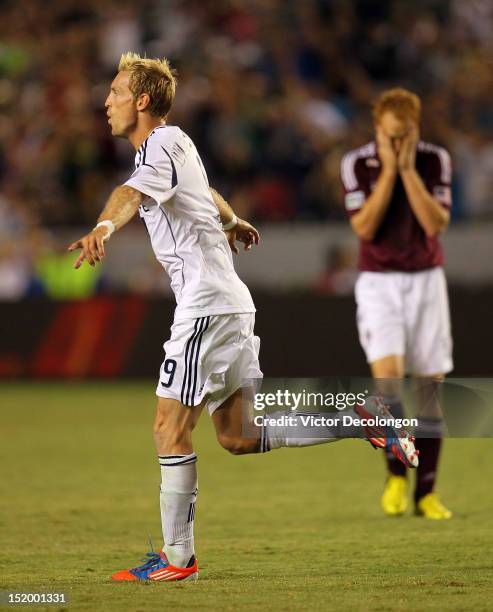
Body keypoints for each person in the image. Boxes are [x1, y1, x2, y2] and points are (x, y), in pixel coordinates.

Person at [69, 55, 419, 583]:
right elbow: (204, 192)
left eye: (116, 92)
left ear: (142, 101)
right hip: (228, 299)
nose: (106, 101)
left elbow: (129, 194)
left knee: (169, 427)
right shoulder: (176, 145)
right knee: (237, 435)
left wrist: (102, 227)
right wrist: (233, 220)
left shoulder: (159, 146)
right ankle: (360, 416)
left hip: (205, 304)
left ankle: (176, 560)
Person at [341, 88, 453, 520]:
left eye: (405, 136)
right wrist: (389, 171)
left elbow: (435, 223)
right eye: (391, 136)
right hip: (379, 282)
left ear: (416, 129)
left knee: (429, 390)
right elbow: (364, 227)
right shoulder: (356, 163)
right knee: (387, 385)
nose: (399, 143)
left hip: (426, 280)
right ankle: (395, 475)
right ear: (378, 130)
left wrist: (407, 171)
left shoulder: (433, 160)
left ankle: (426, 493)